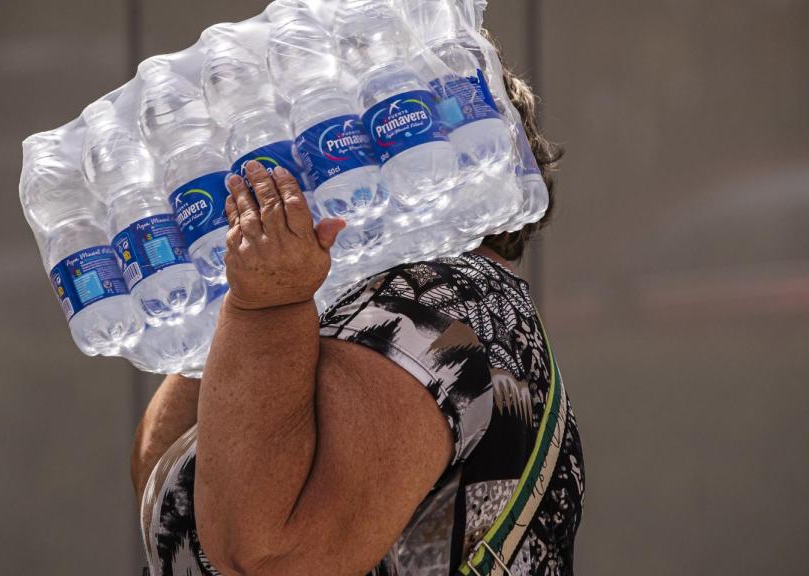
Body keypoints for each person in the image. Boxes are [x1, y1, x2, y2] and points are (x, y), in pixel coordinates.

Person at [131, 61, 584, 576]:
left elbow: (269, 555)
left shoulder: (447, 301)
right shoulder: (354, 299)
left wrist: (266, 303)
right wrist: (241, 284)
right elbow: (164, 484)